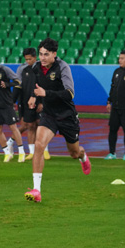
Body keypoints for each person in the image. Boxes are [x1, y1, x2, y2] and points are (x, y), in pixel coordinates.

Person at [24, 38, 91, 203]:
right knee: (39, 145)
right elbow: (38, 86)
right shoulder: (36, 68)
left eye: (46, 54)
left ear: (54, 54)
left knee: (73, 153)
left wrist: (45, 94)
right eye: (40, 54)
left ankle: (83, 156)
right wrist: (34, 96)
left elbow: (70, 93)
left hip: (67, 116)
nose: (43, 57)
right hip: (49, 115)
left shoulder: (63, 67)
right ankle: (36, 190)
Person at [12, 47, 49, 161]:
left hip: (39, 101)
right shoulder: (24, 70)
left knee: (42, 125)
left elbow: (45, 86)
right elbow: (20, 87)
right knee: (30, 126)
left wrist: (42, 102)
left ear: (35, 57)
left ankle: (45, 150)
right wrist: (16, 101)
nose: (28, 61)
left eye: (30, 59)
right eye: (26, 59)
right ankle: (32, 152)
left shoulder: (42, 69)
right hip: (27, 102)